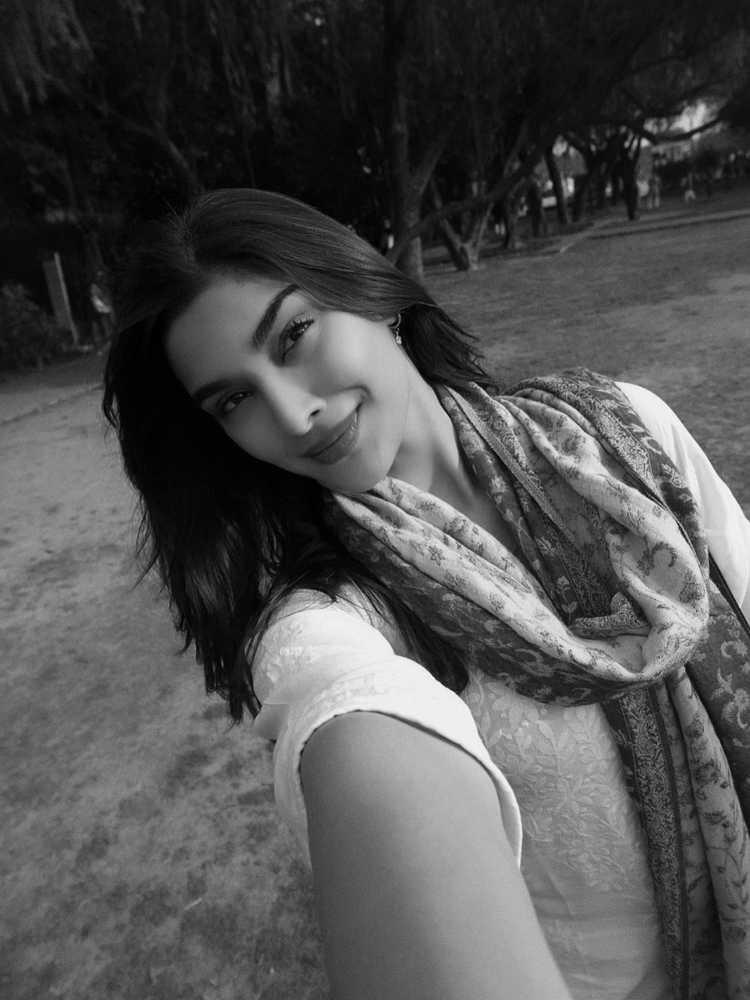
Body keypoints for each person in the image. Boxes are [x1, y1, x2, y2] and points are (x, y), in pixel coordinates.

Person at [103, 188, 750, 1000]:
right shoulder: (335, 623)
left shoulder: (626, 433)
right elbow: (345, 713)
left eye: (295, 334)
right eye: (235, 400)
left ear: (373, 294)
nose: (294, 415)